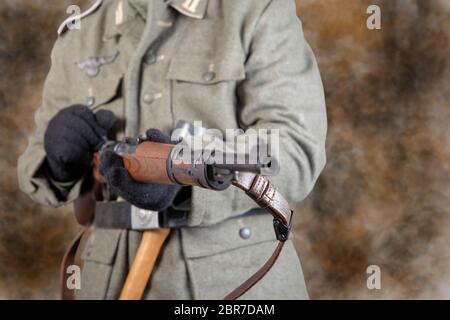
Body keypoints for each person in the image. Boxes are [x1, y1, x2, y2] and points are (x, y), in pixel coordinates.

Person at [17, 0, 327, 299]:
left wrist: (185, 174)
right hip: (105, 280)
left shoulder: (256, 10)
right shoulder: (81, 32)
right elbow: (34, 167)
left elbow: (294, 145)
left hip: (232, 281)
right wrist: (59, 161)